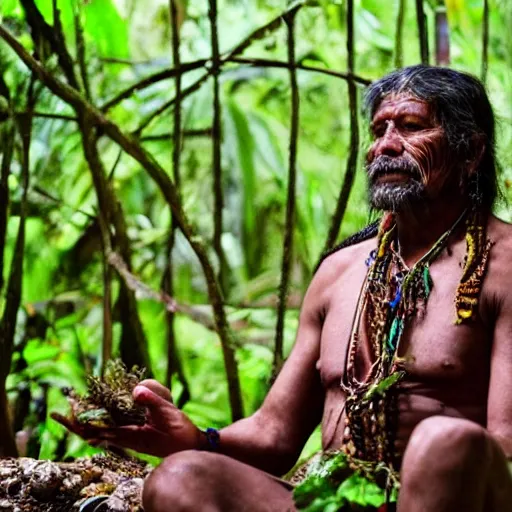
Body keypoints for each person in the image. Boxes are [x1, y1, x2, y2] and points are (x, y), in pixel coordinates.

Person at [58, 65, 512, 512]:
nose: (385, 146)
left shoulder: (504, 265)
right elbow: (275, 434)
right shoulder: (340, 271)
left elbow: (505, 450)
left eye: (411, 126)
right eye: (378, 131)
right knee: (181, 477)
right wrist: (195, 438)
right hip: (337, 501)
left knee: (443, 441)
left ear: (469, 152)